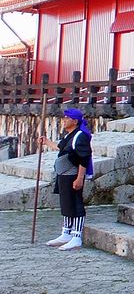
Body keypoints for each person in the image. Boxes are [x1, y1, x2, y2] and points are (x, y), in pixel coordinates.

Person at [40, 108, 94, 251]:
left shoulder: (80, 136)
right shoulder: (70, 135)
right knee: (66, 203)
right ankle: (66, 232)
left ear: (75, 121)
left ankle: (76, 236)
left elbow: (84, 158)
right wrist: (47, 142)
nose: (63, 121)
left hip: (73, 175)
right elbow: (61, 148)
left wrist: (79, 178)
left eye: (66, 118)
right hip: (63, 175)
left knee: (75, 204)